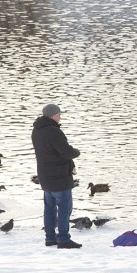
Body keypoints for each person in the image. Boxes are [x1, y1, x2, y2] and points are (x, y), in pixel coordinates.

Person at [31, 103, 82, 249]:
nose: (60, 117)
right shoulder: (54, 131)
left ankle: (50, 238)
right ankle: (64, 239)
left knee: (49, 208)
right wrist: (76, 152)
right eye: (59, 114)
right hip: (59, 177)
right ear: (53, 115)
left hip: (45, 176)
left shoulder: (36, 131)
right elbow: (65, 151)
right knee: (65, 208)